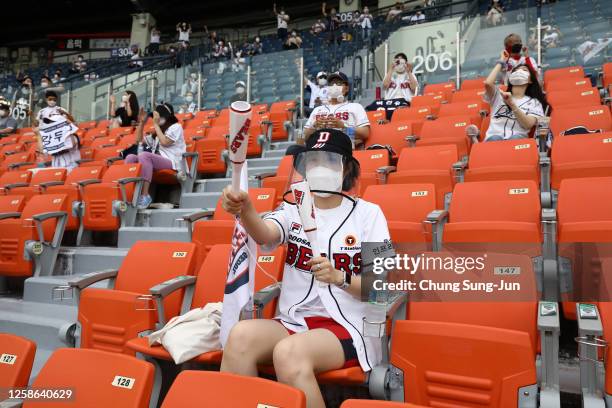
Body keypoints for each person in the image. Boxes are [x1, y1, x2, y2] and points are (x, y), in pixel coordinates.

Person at [220, 128, 391, 408]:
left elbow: (380, 286)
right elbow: (266, 234)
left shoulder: (369, 214)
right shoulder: (292, 208)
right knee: (239, 336)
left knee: (289, 352)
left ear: (346, 167)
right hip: (295, 319)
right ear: (303, 166)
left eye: (329, 160)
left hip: (348, 325)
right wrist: (245, 208)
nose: (320, 167)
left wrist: (340, 277)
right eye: (313, 160)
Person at [128, 104, 186, 209]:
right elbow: (139, 141)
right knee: (131, 158)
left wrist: (155, 124)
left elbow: (164, 142)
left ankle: (145, 196)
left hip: (172, 162)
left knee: (144, 156)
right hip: (158, 161)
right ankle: (130, 194)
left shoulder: (176, 127)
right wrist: (141, 123)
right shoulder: (158, 132)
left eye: (159, 117)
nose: (157, 119)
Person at [483, 54, 546, 141]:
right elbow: (488, 83)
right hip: (493, 140)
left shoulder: (534, 102)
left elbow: (528, 124)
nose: (519, 72)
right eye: (516, 71)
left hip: (518, 141)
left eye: (524, 70)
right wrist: (501, 61)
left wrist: (512, 104)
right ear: (511, 77)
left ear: (530, 80)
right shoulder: (499, 95)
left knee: (515, 138)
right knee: (495, 138)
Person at [304, 72, 370, 146]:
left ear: (347, 88)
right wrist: (314, 125)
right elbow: (305, 137)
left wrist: (344, 127)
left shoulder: (356, 107)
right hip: (318, 147)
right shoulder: (317, 110)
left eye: (338, 83)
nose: (334, 86)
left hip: (341, 147)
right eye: (331, 84)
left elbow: (365, 133)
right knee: (293, 149)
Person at [35, 91, 80, 170]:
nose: (52, 101)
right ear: (46, 99)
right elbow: (39, 127)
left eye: (54, 99)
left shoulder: (61, 110)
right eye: (50, 99)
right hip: (55, 161)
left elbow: (73, 124)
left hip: (69, 160)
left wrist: (65, 118)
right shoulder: (42, 112)